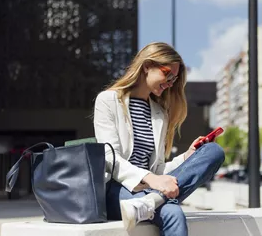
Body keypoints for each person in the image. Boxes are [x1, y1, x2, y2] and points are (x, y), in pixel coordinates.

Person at [93, 42, 225, 236]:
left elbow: (158, 170)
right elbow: (109, 158)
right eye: (167, 74)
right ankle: (152, 200)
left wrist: (188, 157)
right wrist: (151, 179)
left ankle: (151, 202)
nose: (170, 83)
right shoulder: (108, 100)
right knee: (172, 211)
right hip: (117, 188)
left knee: (214, 152)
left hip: (148, 192)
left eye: (174, 79)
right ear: (147, 66)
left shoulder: (159, 114)